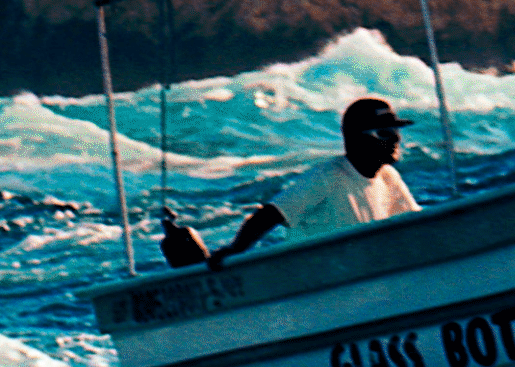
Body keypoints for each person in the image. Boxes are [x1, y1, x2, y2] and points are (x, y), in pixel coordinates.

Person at [158, 95, 421, 267]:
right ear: (355, 138)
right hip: (316, 283)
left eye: (397, 130)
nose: (396, 139)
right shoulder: (328, 177)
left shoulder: (389, 178)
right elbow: (267, 216)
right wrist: (234, 250)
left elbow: (418, 226)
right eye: (385, 131)